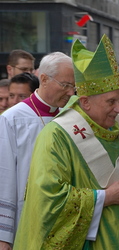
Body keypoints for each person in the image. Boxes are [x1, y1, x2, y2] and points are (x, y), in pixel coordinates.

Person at [13, 35, 119, 250]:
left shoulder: (111, 131)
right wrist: (103, 198)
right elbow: (47, 198)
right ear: (85, 102)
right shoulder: (57, 135)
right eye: (111, 101)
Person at [0, 52, 75, 250]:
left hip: (65, 222)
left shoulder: (72, 118)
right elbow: (5, 177)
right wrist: (3, 236)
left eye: (74, 87)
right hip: (27, 219)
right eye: (66, 85)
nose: (70, 92)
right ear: (43, 78)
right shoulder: (12, 118)